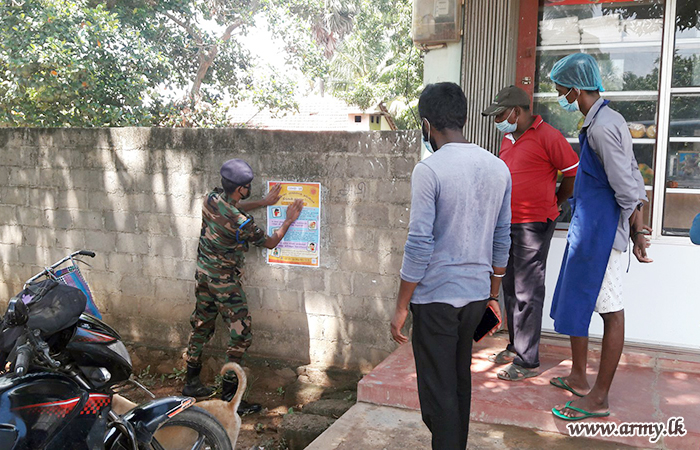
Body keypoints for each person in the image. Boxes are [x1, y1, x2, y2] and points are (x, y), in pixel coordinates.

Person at [390, 82, 512, 449]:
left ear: (427, 124)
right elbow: (502, 238)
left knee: (438, 398)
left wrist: (399, 307)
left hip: (435, 301)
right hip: (475, 298)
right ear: (461, 118)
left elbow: (419, 244)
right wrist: (493, 295)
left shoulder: (429, 171)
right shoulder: (498, 168)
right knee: (458, 383)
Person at [547, 53, 652, 421]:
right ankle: (578, 376)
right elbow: (629, 177)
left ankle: (599, 398)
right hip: (588, 230)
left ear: (576, 87)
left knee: (610, 312)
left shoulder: (605, 126)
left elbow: (628, 188)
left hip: (603, 235)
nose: (557, 92)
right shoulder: (599, 121)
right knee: (577, 301)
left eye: (560, 86)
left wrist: (635, 232)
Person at [183, 159, 303, 416]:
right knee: (241, 334)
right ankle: (229, 395)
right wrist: (289, 220)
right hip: (224, 282)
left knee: (202, 325)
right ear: (240, 190)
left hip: (203, 275)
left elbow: (233, 207)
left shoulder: (211, 199)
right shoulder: (242, 223)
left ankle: (190, 381)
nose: (249, 190)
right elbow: (270, 242)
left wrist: (263, 202)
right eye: (247, 187)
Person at [481, 86, 579, 381]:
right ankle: (515, 346)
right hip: (507, 223)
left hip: (534, 224)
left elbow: (572, 171)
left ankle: (527, 360)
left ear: (518, 112)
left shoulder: (548, 135)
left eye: (501, 114)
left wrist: (557, 200)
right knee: (510, 285)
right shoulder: (507, 138)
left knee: (528, 290)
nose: (498, 119)